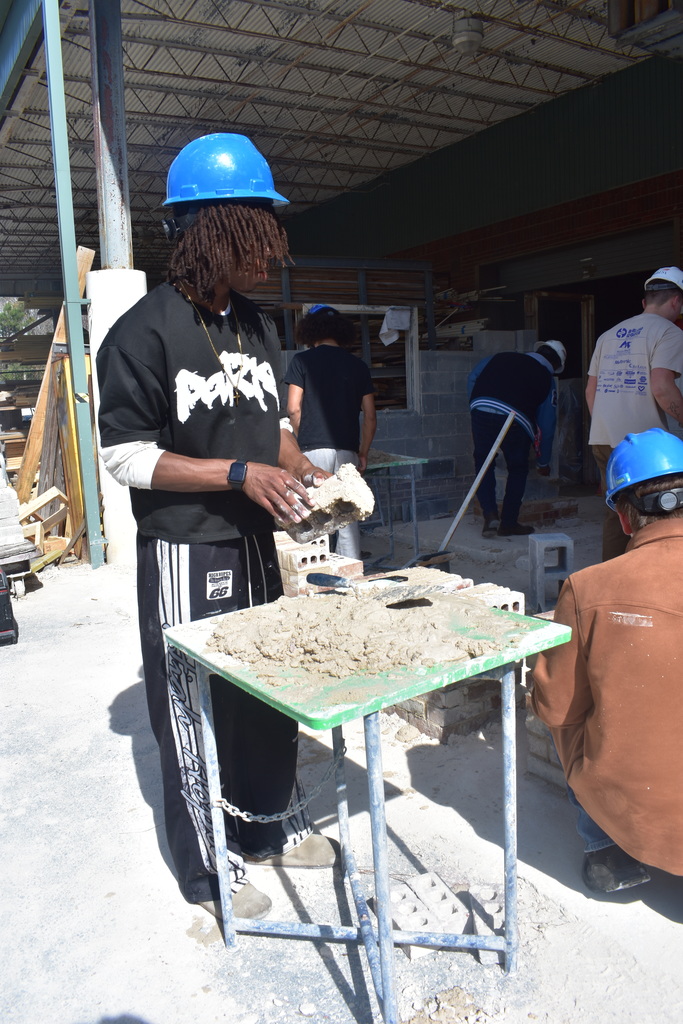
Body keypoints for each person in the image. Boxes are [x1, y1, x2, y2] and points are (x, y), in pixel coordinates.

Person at [95, 133, 338, 923]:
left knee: (266, 688)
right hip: (185, 544)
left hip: (254, 541)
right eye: (256, 237)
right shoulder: (142, 334)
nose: (269, 254)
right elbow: (126, 457)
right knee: (190, 703)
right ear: (209, 233)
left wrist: (304, 468)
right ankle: (207, 866)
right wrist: (236, 475)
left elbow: (267, 426)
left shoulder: (260, 327)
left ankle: (269, 823)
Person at [531, 428, 683, 893]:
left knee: (560, 706)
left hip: (633, 815)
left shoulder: (589, 588)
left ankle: (606, 853)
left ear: (624, 517)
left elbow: (555, 708)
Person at [586, 266, 683, 561]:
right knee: (658, 513)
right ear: (677, 302)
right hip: (647, 448)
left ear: (645, 302)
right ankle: (653, 576)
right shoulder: (669, 332)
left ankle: (615, 575)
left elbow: (591, 391)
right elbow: (662, 386)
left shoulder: (608, 335)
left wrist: (608, 423)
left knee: (617, 511)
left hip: (603, 439)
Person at [285, 304, 377, 559]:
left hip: (311, 452)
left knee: (313, 513)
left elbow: (293, 408)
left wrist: (302, 439)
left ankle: (314, 573)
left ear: (310, 331)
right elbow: (370, 415)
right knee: (348, 517)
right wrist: (363, 452)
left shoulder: (301, 361)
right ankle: (349, 576)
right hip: (347, 451)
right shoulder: (357, 366)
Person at [467, 340, 566, 537]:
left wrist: (477, 406)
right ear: (555, 365)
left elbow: (473, 377)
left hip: (481, 408)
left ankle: (489, 515)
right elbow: (547, 425)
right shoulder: (546, 378)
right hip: (516, 418)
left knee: (484, 461)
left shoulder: (499, 357)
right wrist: (543, 461)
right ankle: (509, 523)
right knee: (518, 467)